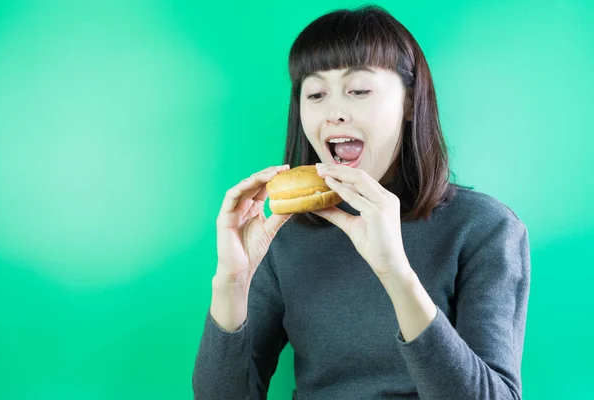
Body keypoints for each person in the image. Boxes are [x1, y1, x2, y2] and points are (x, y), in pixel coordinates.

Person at [193, 4, 530, 400]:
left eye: (358, 91)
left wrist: (395, 273)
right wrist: (231, 282)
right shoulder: (282, 232)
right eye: (316, 93)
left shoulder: (483, 227)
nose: (335, 112)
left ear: (408, 101)